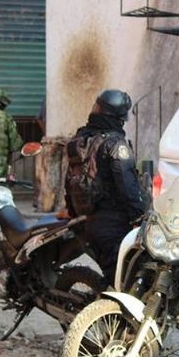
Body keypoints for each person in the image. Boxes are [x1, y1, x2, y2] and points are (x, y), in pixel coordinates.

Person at [62, 89, 146, 286]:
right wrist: (139, 217)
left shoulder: (80, 140)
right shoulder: (115, 144)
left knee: (111, 276)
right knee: (124, 283)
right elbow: (127, 186)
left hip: (83, 222)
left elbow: (69, 180)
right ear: (119, 118)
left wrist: (71, 210)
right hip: (112, 224)